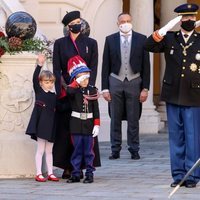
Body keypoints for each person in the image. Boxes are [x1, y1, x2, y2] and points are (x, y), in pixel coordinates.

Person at [145, 3, 200, 188]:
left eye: (192, 17)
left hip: (194, 95)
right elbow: (148, 45)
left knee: (192, 137)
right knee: (176, 136)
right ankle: (178, 175)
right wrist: (166, 27)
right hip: (173, 94)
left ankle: (191, 176)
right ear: (179, 20)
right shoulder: (170, 38)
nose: (189, 20)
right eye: (185, 18)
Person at [52, 10, 100, 179]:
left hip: (85, 92)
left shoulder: (91, 43)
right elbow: (56, 68)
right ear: (68, 26)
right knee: (67, 130)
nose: (78, 24)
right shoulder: (59, 44)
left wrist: (89, 87)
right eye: (74, 22)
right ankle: (68, 166)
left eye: (79, 21)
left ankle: (87, 166)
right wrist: (64, 87)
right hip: (67, 92)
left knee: (85, 131)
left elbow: (93, 67)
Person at [101, 13, 150, 160]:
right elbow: (105, 65)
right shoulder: (110, 40)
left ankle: (134, 149)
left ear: (132, 22)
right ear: (118, 23)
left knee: (133, 118)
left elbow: (146, 66)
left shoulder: (142, 39)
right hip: (115, 80)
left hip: (135, 81)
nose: (125, 23)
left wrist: (145, 88)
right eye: (122, 21)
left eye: (128, 21)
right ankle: (115, 149)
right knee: (115, 117)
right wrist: (105, 88)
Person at [64, 55, 100, 183]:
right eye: (82, 77)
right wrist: (76, 81)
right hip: (76, 124)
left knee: (89, 151)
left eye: (87, 77)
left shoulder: (92, 90)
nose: (85, 80)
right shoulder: (73, 90)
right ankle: (75, 173)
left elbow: (96, 109)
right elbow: (69, 92)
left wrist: (97, 124)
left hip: (89, 124)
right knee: (77, 150)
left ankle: (89, 173)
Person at [26, 54, 59, 182]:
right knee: (40, 149)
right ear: (41, 83)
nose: (49, 84)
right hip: (41, 125)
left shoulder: (53, 95)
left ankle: (50, 173)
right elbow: (35, 78)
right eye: (46, 82)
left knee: (49, 150)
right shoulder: (39, 92)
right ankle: (39, 173)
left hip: (51, 125)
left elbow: (61, 106)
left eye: (51, 82)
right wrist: (39, 65)